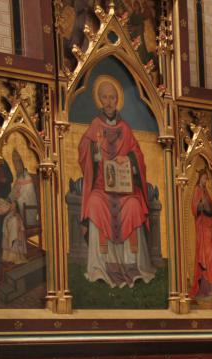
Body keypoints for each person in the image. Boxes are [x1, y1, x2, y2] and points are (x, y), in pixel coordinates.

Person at [78, 78, 155, 288]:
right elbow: (83, 151)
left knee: (134, 205)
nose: (109, 101)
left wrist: (128, 159)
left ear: (117, 99)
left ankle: (133, 266)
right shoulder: (95, 126)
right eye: (105, 97)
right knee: (94, 203)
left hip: (124, 188)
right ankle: (101, 266)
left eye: (113, 97)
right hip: (102, 187)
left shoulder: (126, 128)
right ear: (100, 100)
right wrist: (93, 149)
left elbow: (138, 154)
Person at [189, 171, 212, 299]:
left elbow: (211, 207)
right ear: (199, 178)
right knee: (205, 257)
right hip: (202, 228)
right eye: (203, 178)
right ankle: (203, 290)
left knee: (211, 256)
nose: (205, 180)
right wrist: (201, 205)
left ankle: (210, 288)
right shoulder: (197, 190)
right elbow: (194, 208)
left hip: (209, 228)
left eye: (206, 179)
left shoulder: (206, 191)